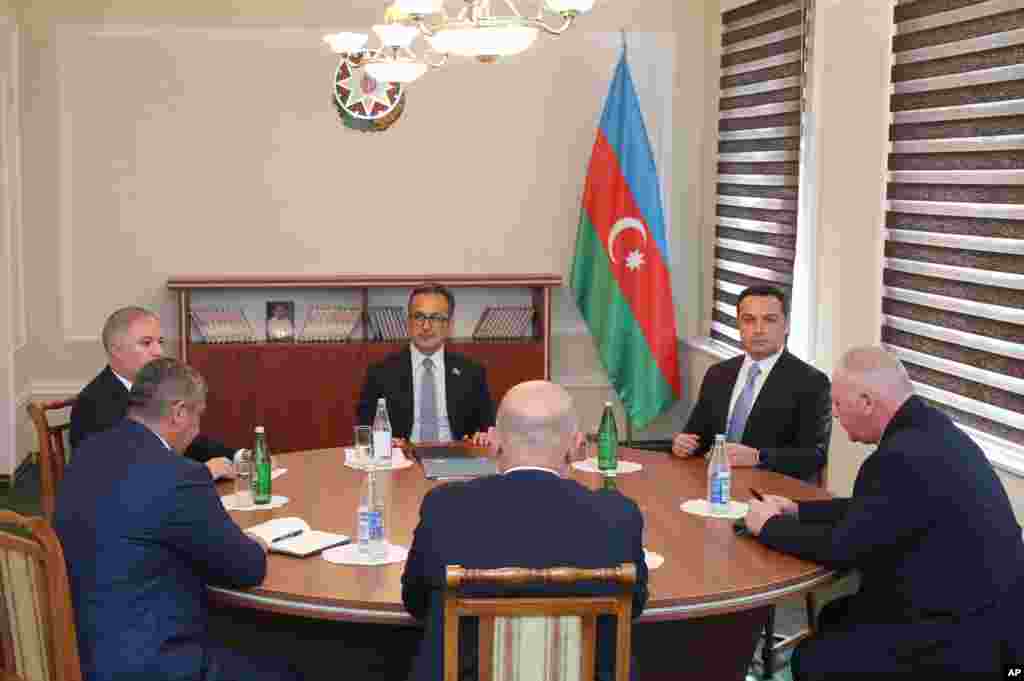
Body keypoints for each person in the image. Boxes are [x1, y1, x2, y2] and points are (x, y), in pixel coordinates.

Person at [745, 346, 1024, 677]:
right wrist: (798, 510)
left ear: (866, 402)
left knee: (812, 658)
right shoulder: (932, 431)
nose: (834, 413)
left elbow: (843, 549)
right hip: (995, 620)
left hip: (956, 639)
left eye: (838, 403)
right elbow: (878, 509)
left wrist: (769, 527)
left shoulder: (897, 458)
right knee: (836, 614)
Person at [54, 358, 302, 681]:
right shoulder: (180, 476)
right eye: (198, 416)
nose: (197, 429)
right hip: (151, 662)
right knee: (295, 662)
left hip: (77, 644)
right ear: (179, 412)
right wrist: (255, 544)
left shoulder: (88, 451)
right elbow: (247, 568)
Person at [401, 380, 648, 681]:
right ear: (577, 445)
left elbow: (415, 602)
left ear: (494, 441)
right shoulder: (618, 515)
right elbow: (633, 607)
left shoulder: (444, 508)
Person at [671, 285, 831, 481]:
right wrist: (683, 443)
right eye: (749, 320)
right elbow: (697, 435)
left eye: (769, 320)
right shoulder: (718, 374)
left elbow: (815, 456)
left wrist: (758, 457)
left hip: (772, 491)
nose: (758, 330)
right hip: (713, 485)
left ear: (787, 325)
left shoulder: (811, 382)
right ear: (738, 324)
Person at [70, 306, 236, 480]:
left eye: (160, 342)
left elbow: (185, 437)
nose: (159, 352)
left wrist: (239, 456)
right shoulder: (94, 403)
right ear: (116, 350)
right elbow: (128, 473)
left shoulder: (155, 387)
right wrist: (202, 473)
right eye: (146, 343)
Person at [356, 283, 494, 444]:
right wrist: (382, 442)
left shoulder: (472, 372)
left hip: (456, 458)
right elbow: (363, 434)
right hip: (402, 459)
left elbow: (488, 428)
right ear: (409, 322)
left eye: (435, 318)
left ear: (449, 324)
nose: (426, 326)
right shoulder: (380, 373)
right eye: (419, 316)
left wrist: (484, 435)